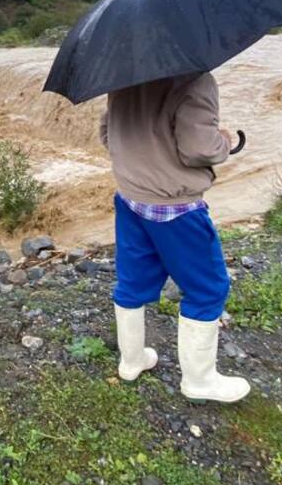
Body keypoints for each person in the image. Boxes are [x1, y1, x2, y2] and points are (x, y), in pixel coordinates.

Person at [98, 71, 249, 403]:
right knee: (208, 288)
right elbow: (199, 149)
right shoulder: (195, 80)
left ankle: (131, 361)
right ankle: (200, 381)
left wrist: (140, 164)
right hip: (175, 207)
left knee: (132, 280)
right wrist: (225, 141)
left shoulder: (121, 76)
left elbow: (107, 133)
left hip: (130, 198)